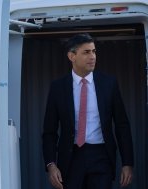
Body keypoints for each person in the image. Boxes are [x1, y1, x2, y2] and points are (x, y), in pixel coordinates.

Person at [42, 33, 134, 189]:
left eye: (94, 51)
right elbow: (49, 131)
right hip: (71, 158)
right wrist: (51, 165)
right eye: (86, 52)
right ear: (72, 56)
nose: (92, 56)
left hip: (101, 156)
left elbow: (122, 125)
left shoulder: (108, 83)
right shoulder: (58, 87)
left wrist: (127, 163)